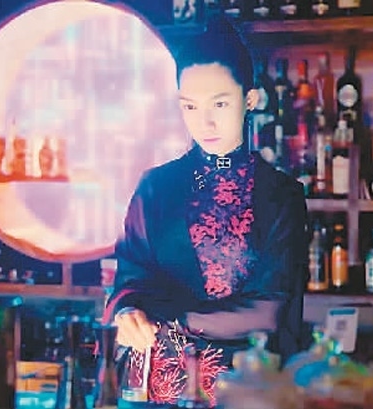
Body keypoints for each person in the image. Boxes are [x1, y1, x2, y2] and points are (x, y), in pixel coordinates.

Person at [103, 16, 310, 406]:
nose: (205, 121)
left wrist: (171, 320)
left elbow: (271, 310)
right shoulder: (155, 187)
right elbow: (129, 279)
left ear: (250, 100)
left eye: (220, 103)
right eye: (190, 106)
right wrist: (127, 312)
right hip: (159, 393)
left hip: (247, 391)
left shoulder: (282, 195)